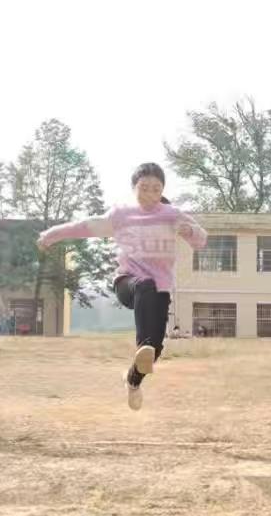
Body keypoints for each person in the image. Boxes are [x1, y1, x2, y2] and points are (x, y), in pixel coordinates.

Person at [38, 162, 208, 410]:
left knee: (155, 349)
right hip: (127, 282)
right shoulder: (122, 215)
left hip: (160, 289)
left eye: (156, 189)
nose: (150, 194)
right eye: (144, 188)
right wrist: (51, 235)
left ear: (162, 190)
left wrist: (189, 230)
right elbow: (85, 226)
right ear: (134, 188)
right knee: (145, 286)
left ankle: (133, 381)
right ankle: (143, 345)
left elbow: (201, 240)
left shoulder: (172, 215)